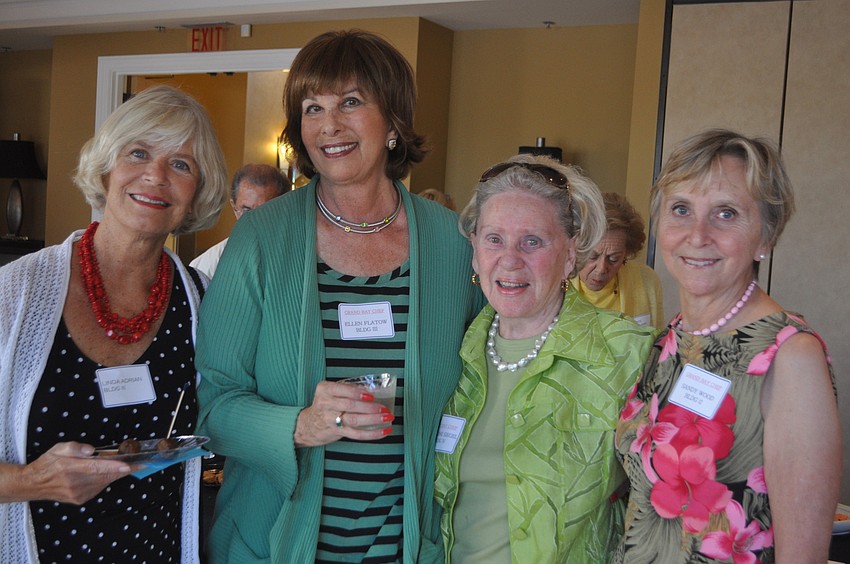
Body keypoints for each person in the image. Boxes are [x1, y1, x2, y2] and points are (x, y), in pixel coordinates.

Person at [195, 30, 484, 563]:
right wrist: (298, 425)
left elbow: (485, 386)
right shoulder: (262, 238)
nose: (330, 125)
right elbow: (213, 404)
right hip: (275, 541)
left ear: (394, 121)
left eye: (351, 102)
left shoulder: (452, 242)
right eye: (312, 108)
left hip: (413, 543)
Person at [0, 84, 228, 563]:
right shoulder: (16, 295)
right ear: (105, 168)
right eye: (138, 153)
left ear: (198, 191)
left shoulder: (201, 302)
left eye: (181, 164)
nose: (156, 176)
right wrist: (31, 480)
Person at [614, 129, 841, 563]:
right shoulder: (670, 339)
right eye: (681, 210)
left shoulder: (789, 356)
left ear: (765, 237)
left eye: (726, 214)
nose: (697, 235)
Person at [433, 154, 656, 562]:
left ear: (571, 255)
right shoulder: (451, 350)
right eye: (494, 239)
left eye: (532, 241)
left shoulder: (627, 353)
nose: (510, 259)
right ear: (474, 251)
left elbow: (670, 505)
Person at [572, 192, 664, 329]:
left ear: (626, 253)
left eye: (613, 259)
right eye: (592, 256)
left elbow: (658, 343)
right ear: (574, 247)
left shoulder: (647, 281)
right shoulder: (554, 284)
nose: (601, 269)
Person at [190, 163, 289, 278]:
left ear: (285, 210)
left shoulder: (304, 258)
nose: (256, 222)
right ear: (234, 208)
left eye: (266, 212)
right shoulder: (206, 267)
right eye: (247, 211)